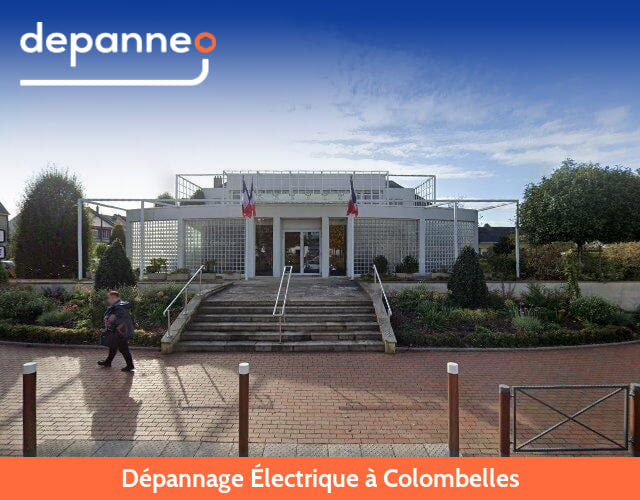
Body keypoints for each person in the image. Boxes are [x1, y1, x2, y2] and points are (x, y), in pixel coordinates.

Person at [98, 290, 135, 372]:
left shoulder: (119, 306)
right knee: (113, 346)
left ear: (114, 297)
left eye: (109, 298)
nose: (108, 300)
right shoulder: (118, 305)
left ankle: (130, 365)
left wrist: (112, 322)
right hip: (118, 331)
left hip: (120, 332)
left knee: (123, 348)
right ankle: (108, 362)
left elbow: (120, 319)